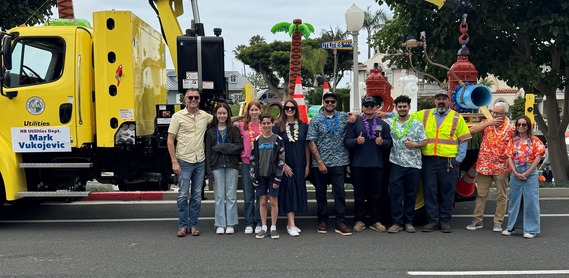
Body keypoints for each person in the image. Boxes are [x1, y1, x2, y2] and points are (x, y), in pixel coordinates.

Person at [416, 91, 472, 233]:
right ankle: (433, 221)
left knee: (447, 191)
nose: (441, 101)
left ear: (448, 102)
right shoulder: (425, 114)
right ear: (434, 102)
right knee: (430, 191)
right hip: (429, 159)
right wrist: (385, 115)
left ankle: (445, 221)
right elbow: (404, 117)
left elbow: (464, 140)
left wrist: (458, 160)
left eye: (444, 99)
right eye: (438, 99)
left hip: (449, 161)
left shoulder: (456, 117)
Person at [168, 89, 213, 237]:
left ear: (199, 99)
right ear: (185, 99)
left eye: (196, 97)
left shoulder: (204, 116)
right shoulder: (177, 117)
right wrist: (174, 161)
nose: (193, 100)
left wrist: (244, 117)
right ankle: (182, 226)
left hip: (199, 160)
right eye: (190, 97)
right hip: (184, 161)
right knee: (182, 195)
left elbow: (223, 119)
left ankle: (193, 225)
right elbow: (170, 140)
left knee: (196, 196)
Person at [307, 91, 353, 236]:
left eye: (332, 101)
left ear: (336, 103)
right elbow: (311, 141)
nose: (330, 104)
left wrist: (353, 115)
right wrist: (319, 162)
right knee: (321, 194)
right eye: (327, 102)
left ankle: (340, 222)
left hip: (339, 162)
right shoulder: (316, 120)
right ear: (323, 103)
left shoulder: (343, 117)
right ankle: (322, 221)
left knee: (340, 193)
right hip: (320, 163)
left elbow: (357, 117)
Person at [344, 96, 392, 233]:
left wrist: (383, 143)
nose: (369, 108)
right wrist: (355, 141)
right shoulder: (355, 123)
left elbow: (390, 143)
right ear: (362, 108)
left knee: (376, 195)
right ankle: (359, 220)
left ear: (376, 107)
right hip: (359, 165)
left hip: (377, 165)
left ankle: (376, 220)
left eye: (372, 106)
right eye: (366, 106)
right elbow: (346, 142)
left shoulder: (383, 125)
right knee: (359, 195)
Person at [466, 102, 515, 232]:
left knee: (501, 195)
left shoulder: (511, 127)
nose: (496, 115)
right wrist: (489, 123)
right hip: (484, 165)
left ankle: (498, 221)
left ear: (505, 114)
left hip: (502, 166)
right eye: (495, 112)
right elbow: (471, 130)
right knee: (481, 194)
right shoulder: (487, 123)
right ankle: (477, 220)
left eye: (499, 113)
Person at [385, 95, 427, 234]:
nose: (402, 109)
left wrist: (415, 144)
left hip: (414, 165)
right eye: (400, 106)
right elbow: (372, 117)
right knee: (395, 194)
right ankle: (396, 223)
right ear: (396, 108)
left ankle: (408, 222)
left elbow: (425, 142)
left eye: (405, 106)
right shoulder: (390, 123)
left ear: (409, 107)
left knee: (411, 194)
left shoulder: (417, 123)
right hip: (396, 164)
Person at [502, 116, 545, 239]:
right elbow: (509, 157)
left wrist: (527, 172)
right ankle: (512, 227)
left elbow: (538, 157)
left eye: (524, 125)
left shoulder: (535, 140)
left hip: (530, 172)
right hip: (516, 172)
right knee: (515, 201)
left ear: (528, 126)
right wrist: (515, 172)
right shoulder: (512, 141)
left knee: (531, 201)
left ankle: (531, 229)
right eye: (519, 125)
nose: (521, 127)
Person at [205, 103, 243, 235]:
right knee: (219, 196)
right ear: (216, 115)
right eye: (219, 113)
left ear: (228, 115)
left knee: (231, 196)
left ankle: (231, 223)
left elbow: (238, 148)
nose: (222, 116)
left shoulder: (234, 130)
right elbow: (208, 152)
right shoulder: (210, 132)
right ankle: (220, 223)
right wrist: (208, 171)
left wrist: (221, 147)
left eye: (224, 113)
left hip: (232, 166)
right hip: (216, 167)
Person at [273, 99, 310, 237]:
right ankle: (291, 223)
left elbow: (306, 145)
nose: (289, 110)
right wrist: (283, 165)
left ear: (296, 110)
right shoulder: (278, 127)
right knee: (289, 189)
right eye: (287, 108)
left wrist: (307, 163)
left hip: (300, 162)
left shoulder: (303, 126)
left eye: (292, 108)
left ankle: (292, 222)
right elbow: (276, 148)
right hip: (286, 162)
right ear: (283, 110)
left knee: (297, 189)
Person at [250, 114, 285, 239]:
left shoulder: (278, 140)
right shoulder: (257, 140)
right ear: (260, 124)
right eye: (263, 123)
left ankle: (273, 227)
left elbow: (281, 161)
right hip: (261, 176)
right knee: (262, 201)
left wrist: (278, 178)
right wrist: (253, 177)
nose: (266, 126)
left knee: (274, 201)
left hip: (273, 175)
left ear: (272, 123)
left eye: (268, 123)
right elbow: (253, 160)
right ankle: (264, 227)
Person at [238, 101, 263, 234]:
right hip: (247, 163)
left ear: (260, 111)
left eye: (256, 110)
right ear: (247, 112)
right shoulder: (242, 126)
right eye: (251, 110)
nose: (254, 112)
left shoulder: (264, 125)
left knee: (259, 194)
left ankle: (259, 221)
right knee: (248, 194)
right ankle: (249, 222)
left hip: (261, 164)